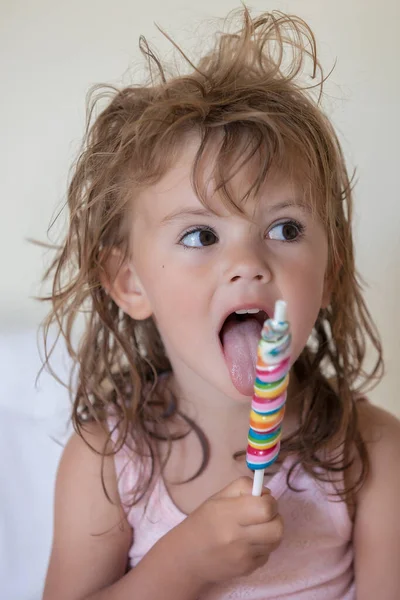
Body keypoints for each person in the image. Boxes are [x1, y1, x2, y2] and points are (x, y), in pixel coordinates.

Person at [41, 7, 400, 600]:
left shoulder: (374, 453)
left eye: (285, 229)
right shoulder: (107, 464)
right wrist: (180, 566)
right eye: (201, 236)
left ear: (331, 271)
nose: (249, 263)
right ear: (130, 282)